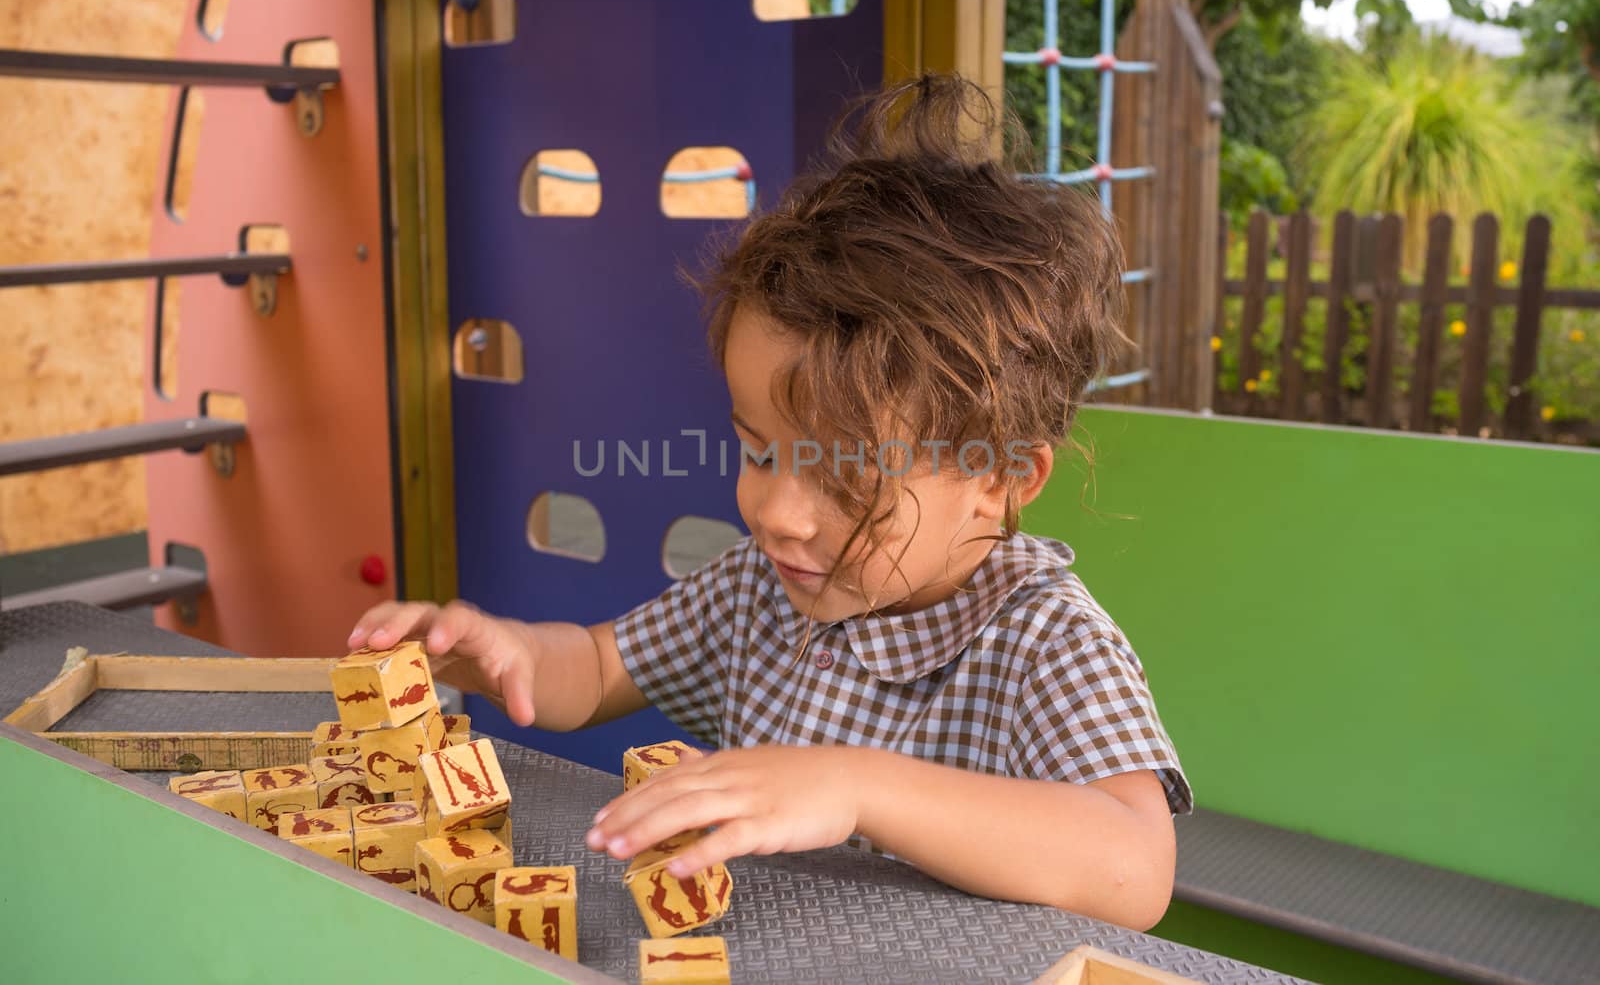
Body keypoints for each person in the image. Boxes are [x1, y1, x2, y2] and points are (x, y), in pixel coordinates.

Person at [349, 74, 1190, 931]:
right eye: (759, 451)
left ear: (1001, 481)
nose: (779, 511)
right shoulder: (762, 587)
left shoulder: (1044, 637)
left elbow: (1133, 864)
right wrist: (514, 654)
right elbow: (599, 669)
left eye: (848, 476)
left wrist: (856, 784)